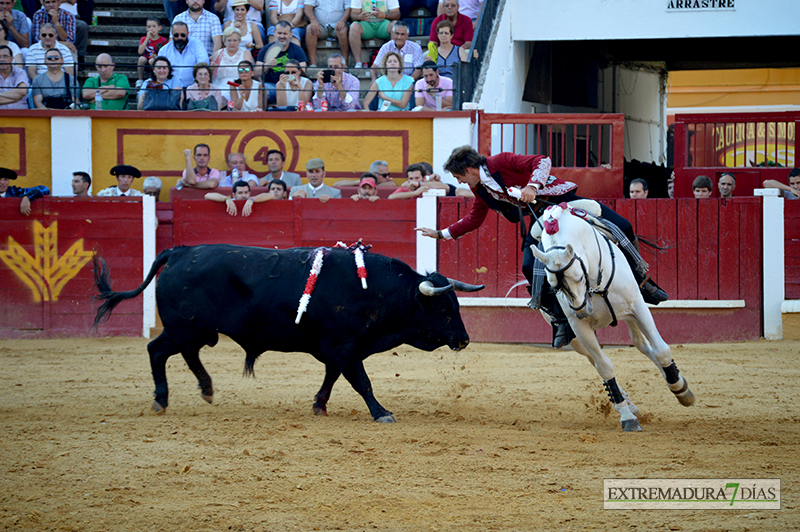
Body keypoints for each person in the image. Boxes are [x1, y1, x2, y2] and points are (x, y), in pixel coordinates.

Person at [415, 146, 667, 349]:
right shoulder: (479, 189)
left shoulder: (501, 161)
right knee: (528, 266)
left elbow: (542, 161)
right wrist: (441, 234)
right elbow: (474, 218)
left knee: (622, 226)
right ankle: (560, 320)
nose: (458, 180)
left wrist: (531, 187)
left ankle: (643, 283)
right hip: (540, 219)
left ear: (469, 168)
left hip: (564, 201)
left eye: (458, 176)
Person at [255, 20, 307, 105]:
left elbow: (303, 71)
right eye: (279, 33)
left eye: (285, 34)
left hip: (291, 85)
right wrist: (267, 65)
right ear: (274, 33)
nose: (282, 36)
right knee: (261, 90)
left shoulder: (297, 50)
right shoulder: (266, 49)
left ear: (290, 34)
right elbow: (256, 73)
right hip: (271, 85)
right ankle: (261, 117)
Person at [348, 0, 400, 69]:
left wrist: (384, 15)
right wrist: (359, 17)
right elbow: (353, 14)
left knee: (395, 25)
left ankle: (394, 60)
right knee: (354, 27)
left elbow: (397, 14)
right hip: (366, 24)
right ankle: (358, 62)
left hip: (383, 24)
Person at [158, 21, 209, 88]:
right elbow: (158, 70)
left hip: (194, 88)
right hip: (171, 89)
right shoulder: (164, 50)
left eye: (183, 35)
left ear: (188, 34)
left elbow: (203, 63)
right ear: (172, 34)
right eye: (176, 35)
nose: (179, 38)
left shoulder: (197, 45)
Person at [304, 0, 349, 67]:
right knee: (310, 29)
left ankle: (344, 63)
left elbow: (348, 8)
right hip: (320, 25)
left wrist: (343, 20)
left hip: (337, 25)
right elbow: (307, 7)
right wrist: (313, 21)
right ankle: (313, 63)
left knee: (343, 30)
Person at [211, 25, 254, 90]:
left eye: (235, 40)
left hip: (239, 86)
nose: (232, 43)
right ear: (224, 41)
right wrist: (212, 69)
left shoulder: (246, 53)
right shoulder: (217, 54)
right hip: (219, 86)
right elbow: (210, 75)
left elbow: (249, 73)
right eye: (229, 40)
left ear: (239, 41)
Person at [205, 179, 276, 216]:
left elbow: (271, 195)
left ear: (249, 193)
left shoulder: (252, 199)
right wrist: (226, 199)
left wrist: (251, 199)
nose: (244, 195)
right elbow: (207, 195)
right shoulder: (231, 200)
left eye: (246, 192)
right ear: (234, 195)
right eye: (240, 193)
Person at [136, 18, 168, 89]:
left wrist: (156, 56)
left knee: (152, 60)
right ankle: (140, 79)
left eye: (154, 26)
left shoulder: (163, 40)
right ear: (146, 28)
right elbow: (140, 52)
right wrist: (147, 38)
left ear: (159, 28)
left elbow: (165, 55)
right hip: (146, 60)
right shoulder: (144, 39)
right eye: (149, 27)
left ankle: (153, 78)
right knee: (141, 59)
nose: (152, 29)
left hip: (155, 61)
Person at [0, 44, 28, 110]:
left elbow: (22, 91)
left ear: (11, 59)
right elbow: (19, 94)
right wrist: (14, 98)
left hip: (20, 115)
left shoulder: (20, 72)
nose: (2, 59)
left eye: (5, 56)